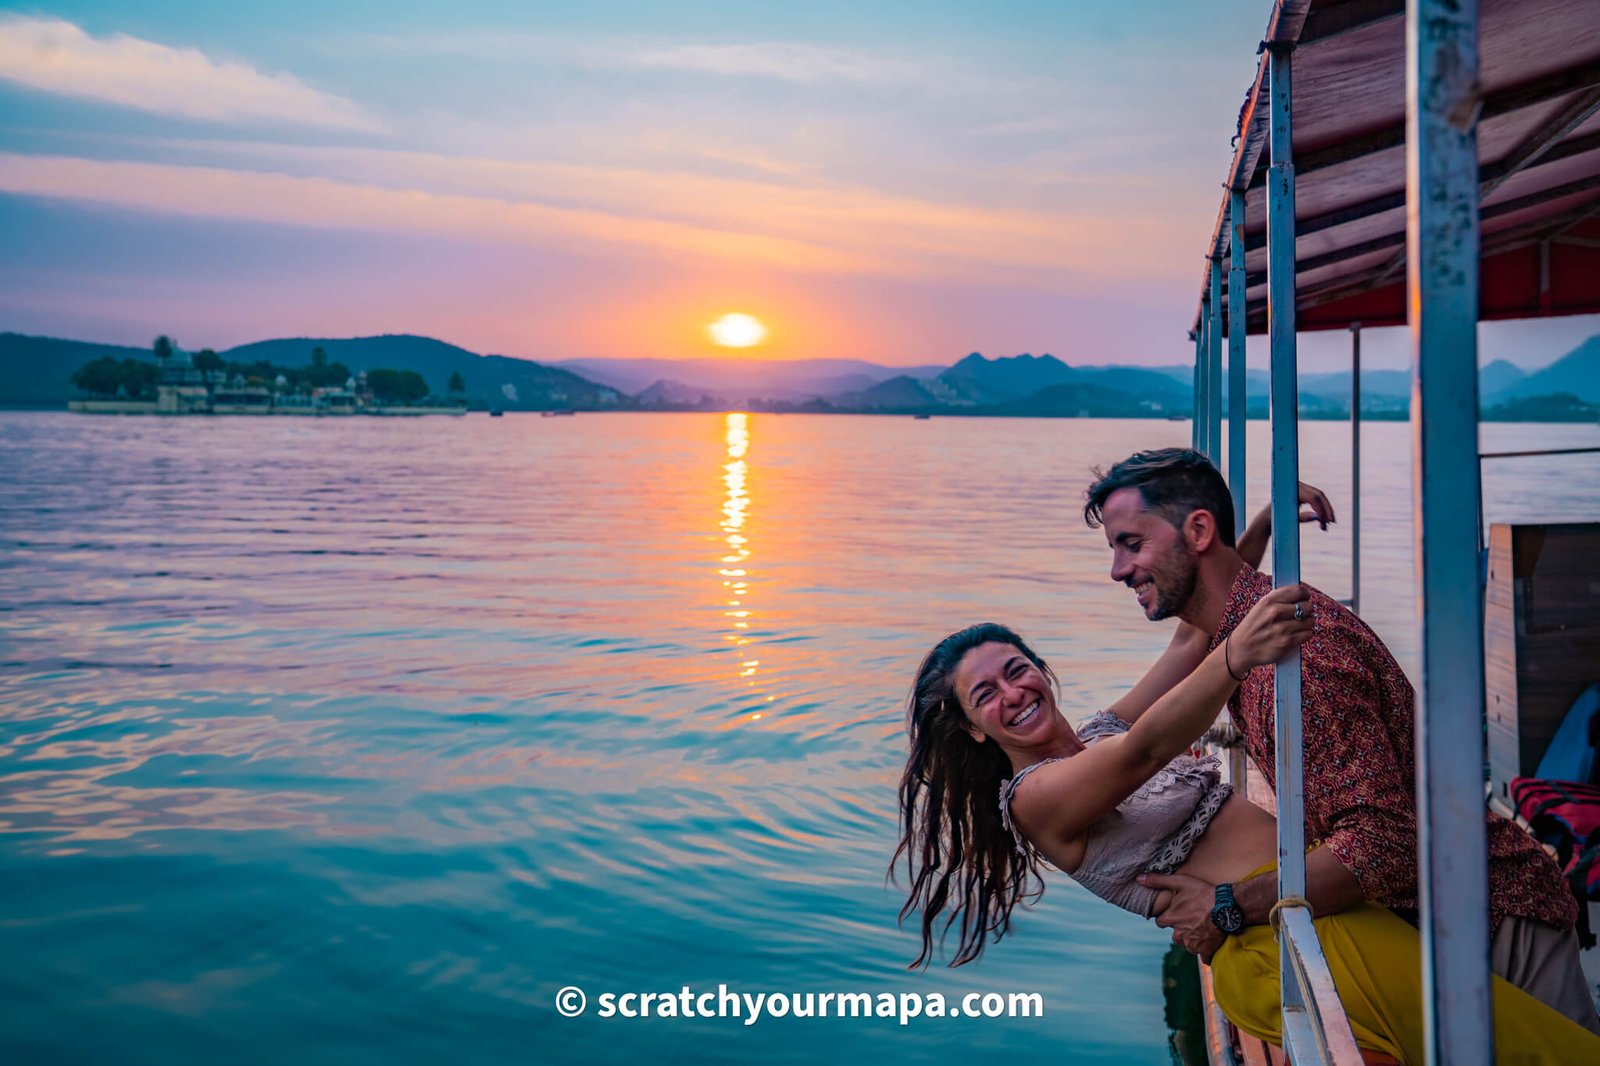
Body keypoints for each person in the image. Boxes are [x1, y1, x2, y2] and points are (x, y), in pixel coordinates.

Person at [892, 612, 1600, 1063]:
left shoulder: (1100, 734)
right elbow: (1146, 750)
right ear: (975, 730)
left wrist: (1250, 526)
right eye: (985, 694)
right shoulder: (1036, 800)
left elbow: (1188, 639)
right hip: (1270, 938)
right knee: (1530, 1046)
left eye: (1017, 669)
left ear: (1041, 672)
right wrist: (1235, 658)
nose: (1012, 691)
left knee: (1502, 1035)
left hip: (1314, 904)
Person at [1082, 447, 1599, 1034]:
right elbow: (1190, 644)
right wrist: (1256, 528)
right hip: (1442, 919)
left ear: (1199, 530)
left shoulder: (1300, 667)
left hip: (1493, 924)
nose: (1118, 570)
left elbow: (1383, 844)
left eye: (1131, 544)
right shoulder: (1245, 635)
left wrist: (1227, 906)